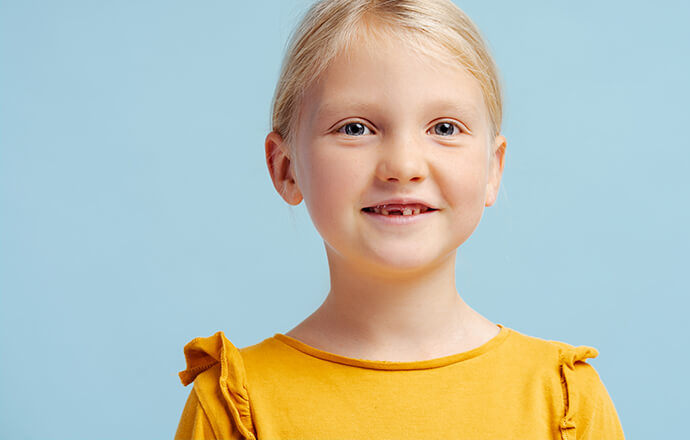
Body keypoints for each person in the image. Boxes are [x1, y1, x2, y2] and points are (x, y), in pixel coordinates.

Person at [174, 0, 625, 438]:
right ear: (286, 169)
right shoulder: (235, 409)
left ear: (493, 168)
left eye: (444, 128)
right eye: (355, 128)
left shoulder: (564, 401)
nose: (404, 164)